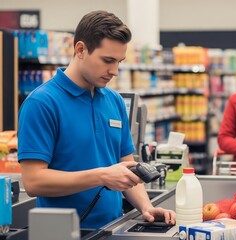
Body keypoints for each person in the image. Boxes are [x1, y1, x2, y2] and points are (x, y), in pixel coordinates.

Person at [17, 10, 175, 229]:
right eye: (107, 60)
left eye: (119, 61)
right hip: (59, 231)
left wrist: (146, 207)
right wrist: (102, 176)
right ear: (80, 50)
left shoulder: (114, 101)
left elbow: (125, 168)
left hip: (113, 228)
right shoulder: (42, 103)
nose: (115, 71)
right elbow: (34, 181)